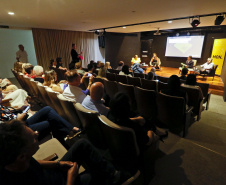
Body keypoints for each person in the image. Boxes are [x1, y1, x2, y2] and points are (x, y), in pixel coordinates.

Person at [0, 120, 127, 185]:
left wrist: (57, 165)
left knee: (82, 144)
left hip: (53, 174)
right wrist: (71, 177)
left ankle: (113, 174)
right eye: (33, 138)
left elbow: (34, 162)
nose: (37, 134)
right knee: (96, 175)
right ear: (22, 156)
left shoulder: (16, 160)